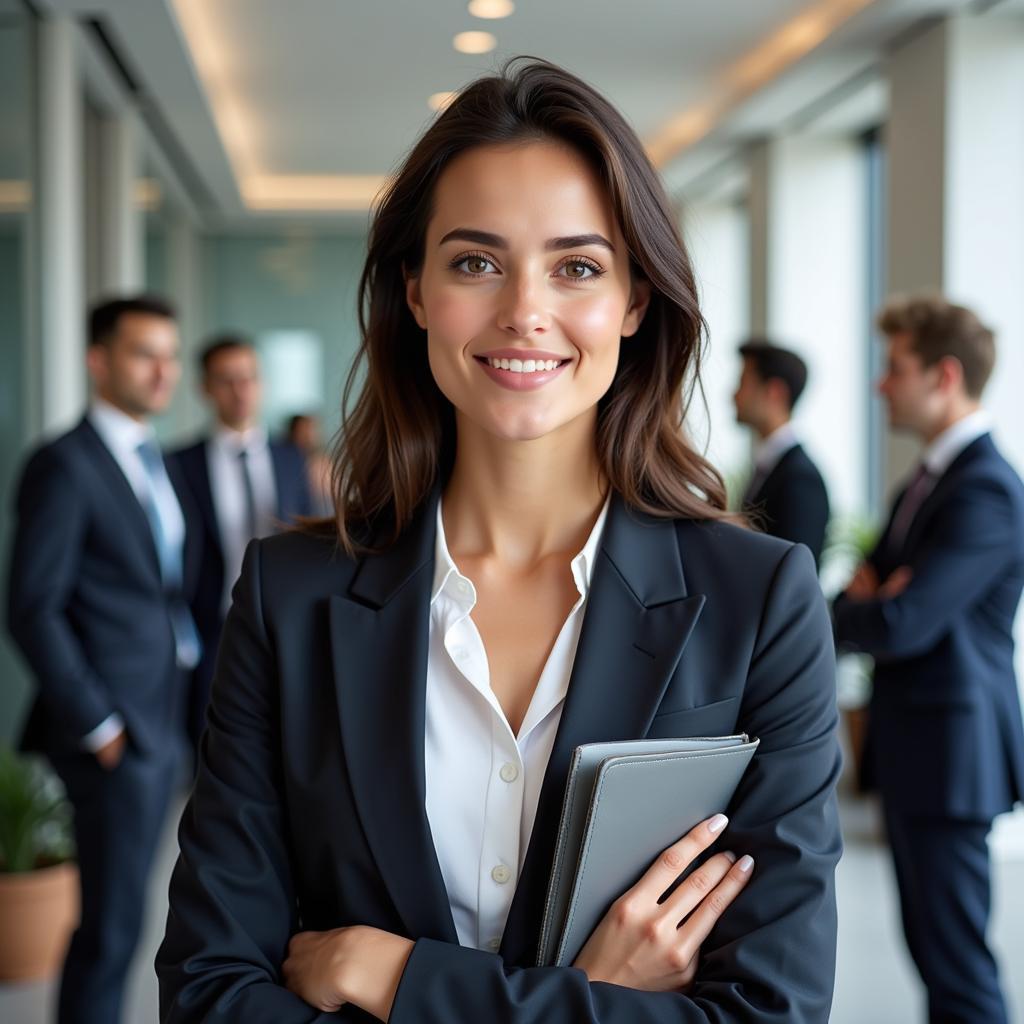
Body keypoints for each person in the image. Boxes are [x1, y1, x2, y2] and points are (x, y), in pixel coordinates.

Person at [157, 59, 842, 1023]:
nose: (525, 310)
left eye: (577, 266)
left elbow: (769, 1012)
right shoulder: (291, 595)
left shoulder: (759, 598)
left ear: (635, 302)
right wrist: (591, 1001)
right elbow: (208, 996)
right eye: (476, 262)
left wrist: (389, 977)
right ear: (417, 291)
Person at [6, 296, 199, 1024]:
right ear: (99, 361)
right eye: (144, 353)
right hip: (116, 734)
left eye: (170, 354)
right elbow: (31, 608)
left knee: (130, 925)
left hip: (163, 715)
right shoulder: (65, 464)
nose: (163, 371)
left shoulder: (153, 459)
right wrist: (100, 725)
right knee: (112, 930)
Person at [834, 296, 1024, 1024]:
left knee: (957, 967)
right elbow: (866, 595)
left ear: (944, 375)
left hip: (953, 755)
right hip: (922, 750)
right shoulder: (927, 483)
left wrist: (877, 602)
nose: (881, 385)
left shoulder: (984, 490)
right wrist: (872, 601)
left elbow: (903, 621)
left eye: (895, 369)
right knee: (933, 951)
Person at [170, 335, 312, 756]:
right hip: (212, 629)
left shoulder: (293, 459)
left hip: (286, 626)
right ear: (205, 388)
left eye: (249, 378)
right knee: (213, 753)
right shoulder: (179, 464)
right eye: (227, 380)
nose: (241, 390)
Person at [733, 339, 830, 568]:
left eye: (743, 383)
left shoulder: (801, 478)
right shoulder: (769, 467)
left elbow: (797, 571)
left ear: (774, 392)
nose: (734, 395)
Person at [286, 411, 334, 516]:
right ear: (294, 432)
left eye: (313, 430)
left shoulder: (324, 461)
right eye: (304, 430)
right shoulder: (286, 464)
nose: (310, 435)